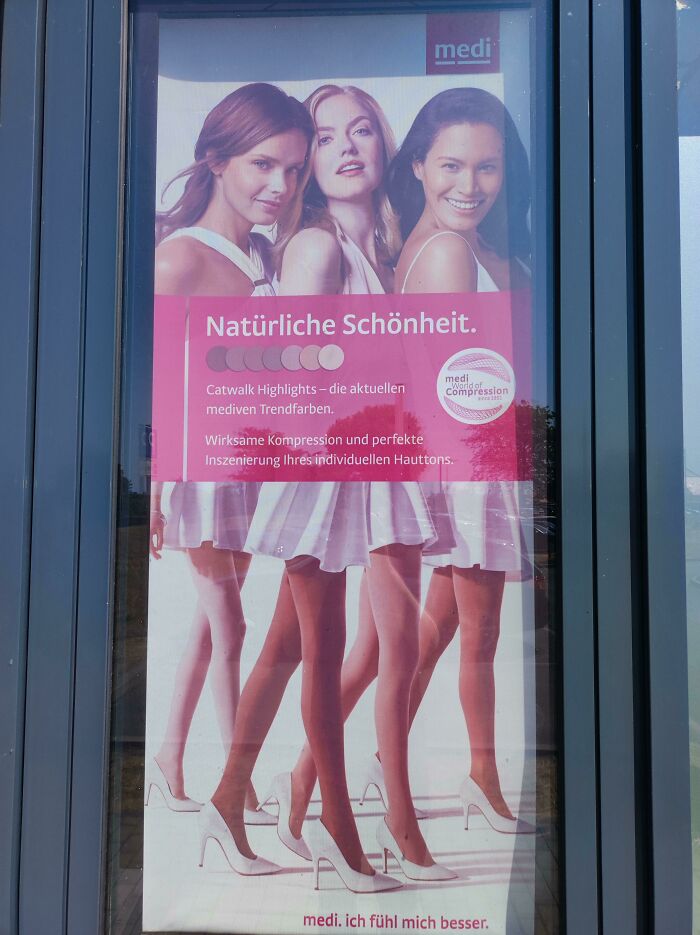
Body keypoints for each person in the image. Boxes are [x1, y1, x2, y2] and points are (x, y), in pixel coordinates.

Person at [209, 84, 452, 889]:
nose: (346, 147)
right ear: (309, 162)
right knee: (321, 648)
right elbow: (290, 380)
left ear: (386, 147)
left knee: (286, 646)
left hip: (368, 470)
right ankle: (337, 835)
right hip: (323, 477)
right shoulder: (316, 247)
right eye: (324, 137)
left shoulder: (381, 253)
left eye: (362, 131)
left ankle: (226, 799)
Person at [146, 85, 312, 862]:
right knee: (232, 623)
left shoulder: (264, 257)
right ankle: (233, 788)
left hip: (246, 468)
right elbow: (155, 383)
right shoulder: (179, 258)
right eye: (263, 164)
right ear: (216, 159)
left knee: (210, 626)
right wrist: (157, 483)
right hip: (200, 471)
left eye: (293, 169)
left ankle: (169, 757)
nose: (280, 184)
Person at [388, 86, 533, 833]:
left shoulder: (466, 245)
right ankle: (482, 777)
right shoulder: (446, 250)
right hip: (468, 465)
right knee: (478, 634)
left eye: (487, 167)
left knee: (439, 632)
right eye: (451, 164)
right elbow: (456, 387)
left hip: (472, 462)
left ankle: (347, 764)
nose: (469, 185)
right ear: (417, 164)